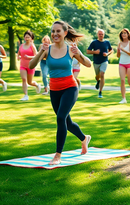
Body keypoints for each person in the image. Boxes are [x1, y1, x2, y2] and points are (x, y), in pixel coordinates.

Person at [29, 20, 92, 166]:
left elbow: (88, 63)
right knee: (67, 122)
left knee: (61, 117)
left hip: (70, 87)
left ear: (64, 33)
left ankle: (57, 155)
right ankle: (84, 139)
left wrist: (79, 54)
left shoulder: (71, 49)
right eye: (53, 31)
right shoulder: (47, 49)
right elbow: (31, 65)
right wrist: (40, 52)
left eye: (58, 31)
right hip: (55, 90)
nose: (55, 33)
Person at [87, 29, 113, 99]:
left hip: (104, 61)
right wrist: (95, 52)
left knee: (102, 74)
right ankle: (98, 81)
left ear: (104, 35)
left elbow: (111, 50)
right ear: (97, 35)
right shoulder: (94, 42)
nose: (101, 35)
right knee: (97, 76)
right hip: (96, 62)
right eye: (99, 34)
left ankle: (100, 92)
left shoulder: (107, 42)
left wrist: (107, 54)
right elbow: (88, 51)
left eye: (102, 34)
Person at [17, 30, 41, 101]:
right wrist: (18, 57)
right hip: (22, 66)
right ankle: (26, 95)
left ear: (31, 38)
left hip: (31, 66)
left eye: (28, 37)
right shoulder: (21, 46)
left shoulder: (32, 46)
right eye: (26, 37)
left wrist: (29, 57)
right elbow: (19, 54)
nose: (27, 38)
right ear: (24, 38)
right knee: (24, 79)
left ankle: (37, 85)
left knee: (29, 82)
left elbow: (36, 56)